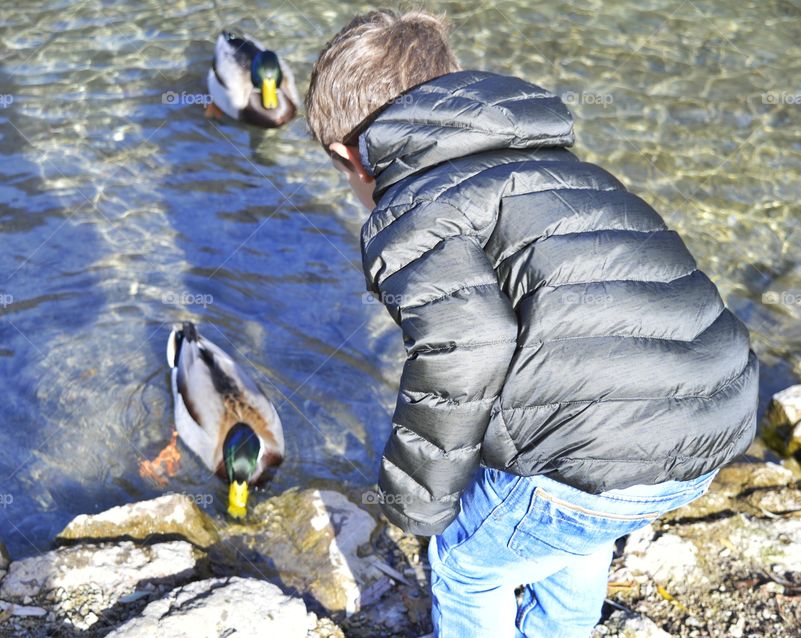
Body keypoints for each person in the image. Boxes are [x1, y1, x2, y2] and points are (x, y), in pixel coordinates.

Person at [305, 9, 758, 637]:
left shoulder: (408, 212)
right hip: (714, 426)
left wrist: (415, 503)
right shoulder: (567, 170)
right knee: (568, 530)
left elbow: (469, 346)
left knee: (467, 565)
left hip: (598, 453)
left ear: (348, 154)